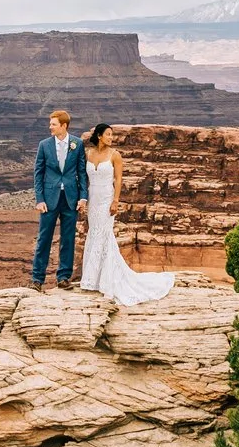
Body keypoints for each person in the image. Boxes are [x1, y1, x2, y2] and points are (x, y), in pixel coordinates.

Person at [78, 123, 175, 305]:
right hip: (93, 199)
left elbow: (119, 178)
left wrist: (116, 200)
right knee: (94, 234)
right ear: (99, 136)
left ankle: (107, 281)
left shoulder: (115, 155)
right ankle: (92, 279)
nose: (111, 138)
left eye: (111, 135)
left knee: (105, 235)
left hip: (107, 198)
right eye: (108, 134)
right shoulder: (88, 154)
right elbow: (84, 178)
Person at [30, 108, 88, 288]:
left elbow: (81, 172)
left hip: (70, 198)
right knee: (44, 238)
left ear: (64, 126)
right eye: (50, 124)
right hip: (49, 199)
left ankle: (63, 277)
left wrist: (83, 197)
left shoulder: (77, 144)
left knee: (68, 239)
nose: (50, 127)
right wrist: (39, 199)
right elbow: (38, 174)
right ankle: (37, 279)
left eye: (53, 124)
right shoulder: (44, 145)